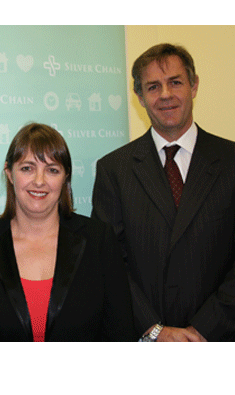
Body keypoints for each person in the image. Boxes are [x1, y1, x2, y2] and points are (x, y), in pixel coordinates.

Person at [92, 43, 235, 342]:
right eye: (153, 86)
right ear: (140, 98)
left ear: (194, 86)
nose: (166, 95)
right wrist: (155, 330)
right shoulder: (114, 170)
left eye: (176, 82)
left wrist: (203, 329)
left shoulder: (231, 160)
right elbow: (108, 262)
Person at [0, 123, 137, 342]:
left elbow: (120, 334)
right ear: (9, 173)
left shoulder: (99, 241)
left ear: (65, 178)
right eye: (27, 168)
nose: (39, 181)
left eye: (52, 170)